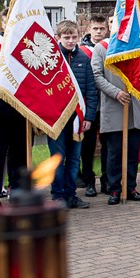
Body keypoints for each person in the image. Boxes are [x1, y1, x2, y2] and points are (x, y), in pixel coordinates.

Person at [91, 28, 140, 205]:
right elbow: (97, 76)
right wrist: (116, 93)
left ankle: (131, 187)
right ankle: (115, 189)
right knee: (114, 153)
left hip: (137, 105)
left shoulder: (139, 46)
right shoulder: (101, 48)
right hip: (114, 105)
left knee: (133, 152)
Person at [48, 21, 98, 208]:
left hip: (78, 118)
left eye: (73, 37)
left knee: (74, 159)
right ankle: (57, 195)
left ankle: (71, 194)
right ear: (58, 38)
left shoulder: (84, 59)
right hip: (56, 118)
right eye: (66, 38)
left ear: (78, 37)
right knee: (57, 158)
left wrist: (90, 117)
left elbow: (91, 90)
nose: (70, 41)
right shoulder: (52, 59)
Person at [0, 9, 28, 210]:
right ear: (2, 23)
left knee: (19, 155)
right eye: (6, 21)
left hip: (21, 110)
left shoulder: (24, 46)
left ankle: (17, 193)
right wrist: (15, 89)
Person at [78, 13, 109, 197]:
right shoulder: (81, 51)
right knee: (87, 146)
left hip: (107, 103)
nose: (98, 32)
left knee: (108, 145)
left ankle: (107, 180)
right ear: (89, 29)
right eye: (95, 29)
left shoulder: (110, 48)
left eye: (102, 28)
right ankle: (89, 181)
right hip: (89, 106)